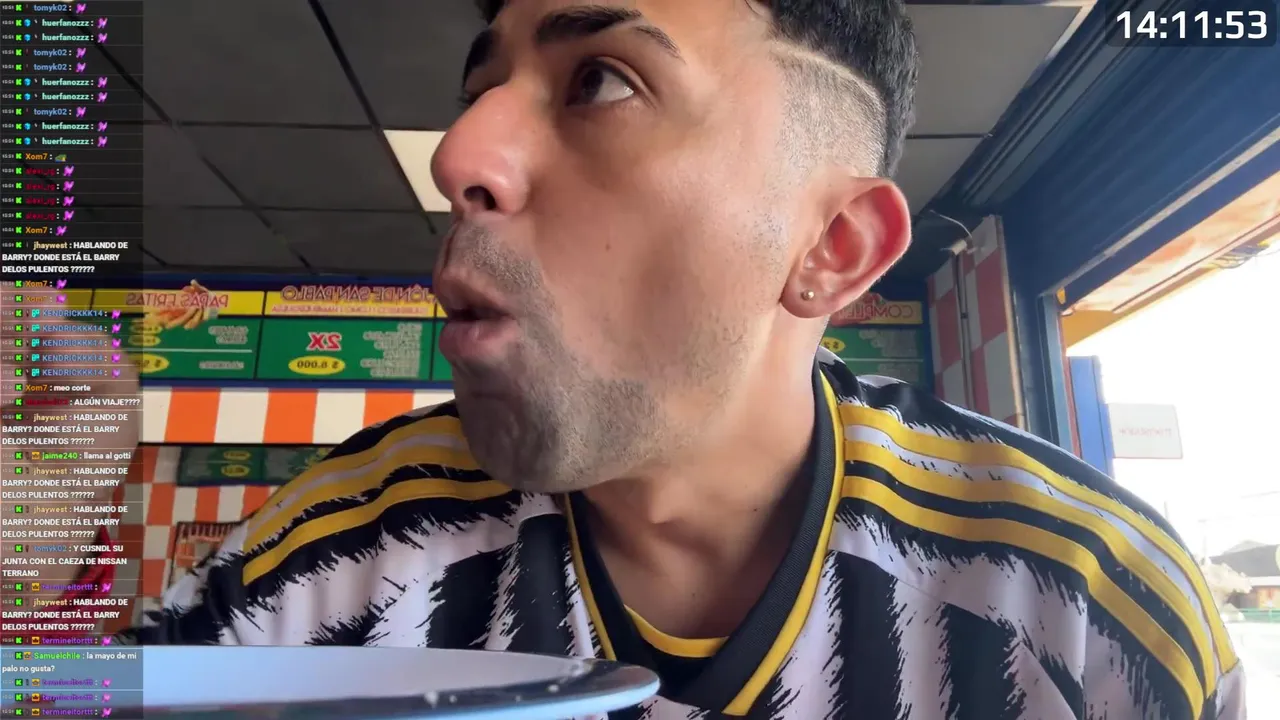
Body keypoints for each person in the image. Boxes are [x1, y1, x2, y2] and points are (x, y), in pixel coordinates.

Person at [121, 1, 1245, 718]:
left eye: (601, 80)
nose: (461, 152)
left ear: (830, 247)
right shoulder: (338, 553)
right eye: (478, 95)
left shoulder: (1088, 614)